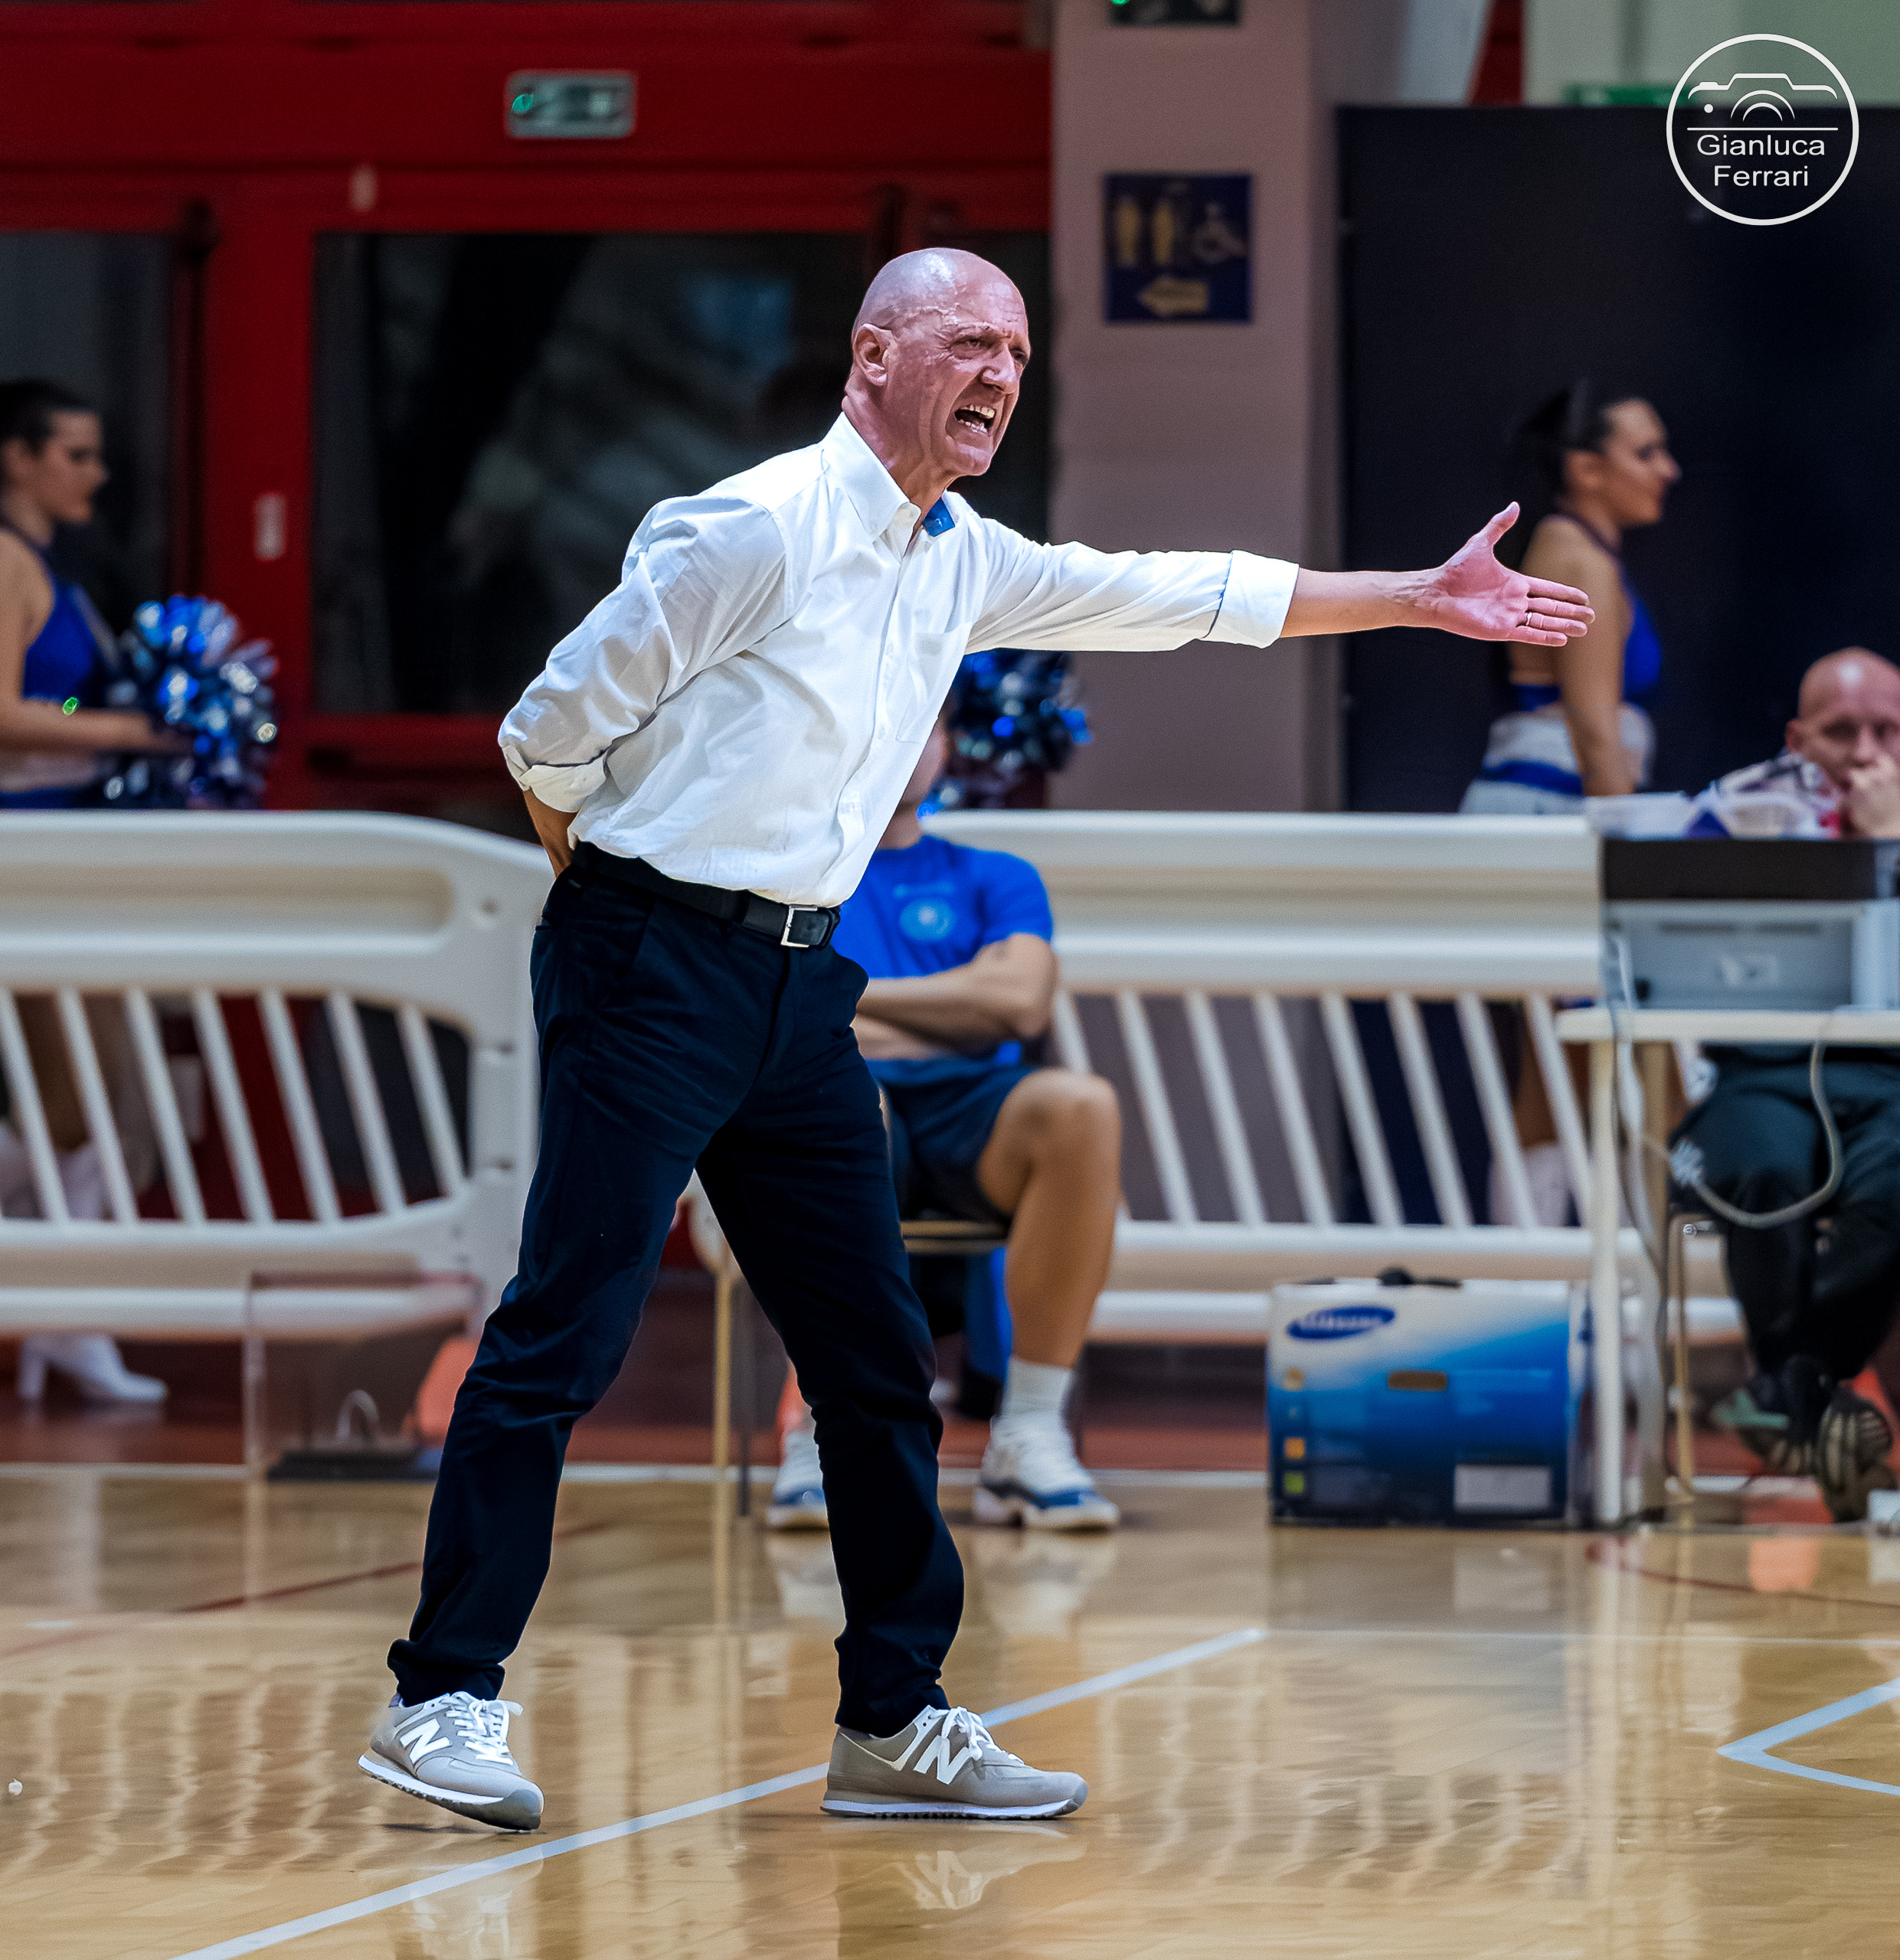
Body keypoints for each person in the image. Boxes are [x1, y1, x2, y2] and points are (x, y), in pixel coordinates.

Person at [361, 247, 1591, 1834]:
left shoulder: (964, 557)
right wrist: (622, 914)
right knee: (562, 1335)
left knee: (878, 1366)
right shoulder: (747, 527)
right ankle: (440, 1696)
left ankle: (893, 1716)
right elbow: (546, 733)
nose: (1000, 371)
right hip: (650, 959)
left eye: (1015, 348)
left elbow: (1181, 595)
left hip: (805, 982)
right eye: (966, 341)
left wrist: (1412, 598)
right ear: (873, 356)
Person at [765, 711, 1123, 1535]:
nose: (906, 741)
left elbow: (1019, 1002)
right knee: (843, 1098)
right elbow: (778, 1015)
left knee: (1082, 1106)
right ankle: (822, 1426)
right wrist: (957, 1009)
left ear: (945, 749)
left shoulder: (996, 875)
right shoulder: (788, 871)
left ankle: (1027, 1430)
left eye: (924, 724)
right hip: (840, 1102)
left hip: (976, 1115)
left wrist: (844, 994)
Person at [0, 380, 178, 1404]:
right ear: (18, 459)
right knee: (72, 1102)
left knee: (111, 1100)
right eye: (76, 455)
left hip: (81, 848)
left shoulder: (58, 570)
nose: (98, 473)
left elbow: (63, 703)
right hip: (22, 850)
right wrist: (136, 732)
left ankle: (70, 1320)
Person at [1673, 648, 1900, 1523]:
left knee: (1894, 1189)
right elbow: (1669, 944)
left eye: (1886, 730)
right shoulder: (1732, 814)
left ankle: (1783, 1398)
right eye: (1842, 731)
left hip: (1890, 1076)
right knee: (1761, 1171)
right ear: (1798, 739)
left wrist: (1887, 846)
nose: (1864, 751)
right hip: (1759, 1069)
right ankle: (1807, 1414)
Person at [1463, 383, 1679, 1228]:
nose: (1668, 470)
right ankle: (1543, 1276)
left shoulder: (1576, 550)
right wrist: (1633, 869)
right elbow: (1594, 732)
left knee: (1564, 1068)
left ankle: (1554, 1273)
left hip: (1546, 821)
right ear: (1586, 469)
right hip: (1553, 823)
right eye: (1646, 452)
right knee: (1576, 1065)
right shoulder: (1577, 559)